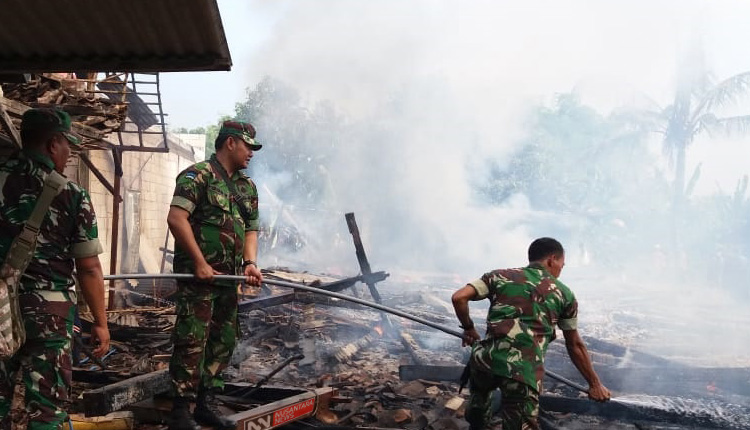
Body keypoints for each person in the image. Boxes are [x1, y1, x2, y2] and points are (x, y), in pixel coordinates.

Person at [0, 108, 110, 429]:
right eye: (67, 146)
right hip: (49, 313)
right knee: (47, 408)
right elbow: (89, 267)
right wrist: (101, 323)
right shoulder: (71, 194)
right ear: (52, 144)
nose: (69, 154)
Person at [452, 237, 610, 430]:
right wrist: (595, 384)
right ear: (552, 259)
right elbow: (574, 344)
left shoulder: (499, 275)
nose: (560, 270)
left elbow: (459, 297)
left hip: (485, 361)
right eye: (562, 265)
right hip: (522, 371)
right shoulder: (564, 294)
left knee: (477, 419)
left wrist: (468, 328)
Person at [166, 120, 263, 430]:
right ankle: (181, 410)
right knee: (192, 339)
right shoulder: (198, 177)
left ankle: (205, 402)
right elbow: (176, 218)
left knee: (223, 339)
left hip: (229, 280)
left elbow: (251, 229)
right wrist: (198, 262)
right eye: (248, 146)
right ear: (230, 143)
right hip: (199, 278)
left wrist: (250, 263)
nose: (251, 153)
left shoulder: (247, 187)